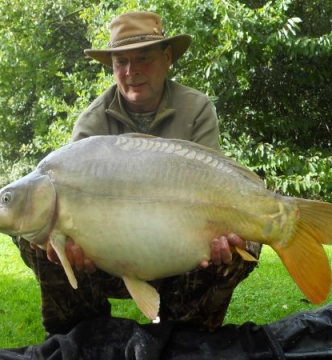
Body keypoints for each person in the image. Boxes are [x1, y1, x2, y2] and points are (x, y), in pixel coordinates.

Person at [13, 11, 262, 335]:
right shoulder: (92, 124)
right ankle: (79, 335)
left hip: (182, 253)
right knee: (33, 231)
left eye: (143, 58)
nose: (131, 72)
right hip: (108, 259)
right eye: (121, 62)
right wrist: (73, 246)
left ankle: (188, 333)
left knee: (248, 242)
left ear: (167, 57)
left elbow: (214, 189)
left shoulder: (196, 109)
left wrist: (225, 233)